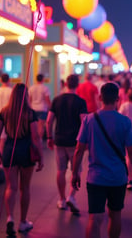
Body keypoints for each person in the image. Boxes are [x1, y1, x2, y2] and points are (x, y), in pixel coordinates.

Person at [71, 82, 132, 238]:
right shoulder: (125, 122)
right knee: (115, 215)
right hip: (118, 178)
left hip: (95, 177)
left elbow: (79, 150)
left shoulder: (89, 120)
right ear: (117, 99)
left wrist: (75, 173)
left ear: (100, 98)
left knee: (94, 218)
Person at [0, 83, 44, 236]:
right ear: (25, 96)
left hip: (9, 150)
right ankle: (23, 222)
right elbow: (35, 136)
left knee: (11, 187)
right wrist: (41, 156)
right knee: (25, 188)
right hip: (26, 151)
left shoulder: (4, 112)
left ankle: (10, 218)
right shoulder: (30, 113)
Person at [46, 74, 87, 214]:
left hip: (59, 141)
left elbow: (49, 121)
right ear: (77, 84)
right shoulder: (80, 102)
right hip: (74, 142)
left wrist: (49, 137)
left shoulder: (56, 100)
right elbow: (84, 122)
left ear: (65, 84)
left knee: (60, 170)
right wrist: (84, 140)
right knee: (77, 170)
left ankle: (62, 200)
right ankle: (71, 196)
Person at [29, 73, 51, 140]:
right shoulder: (45, 88)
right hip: (42, 108)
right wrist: (51, 107)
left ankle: (34, 140)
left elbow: (29, 100)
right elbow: (47, 100)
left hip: (33, 108)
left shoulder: (31, 88)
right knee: (40, 126)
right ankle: (40, 140)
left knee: (33, 126)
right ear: (43, 79)